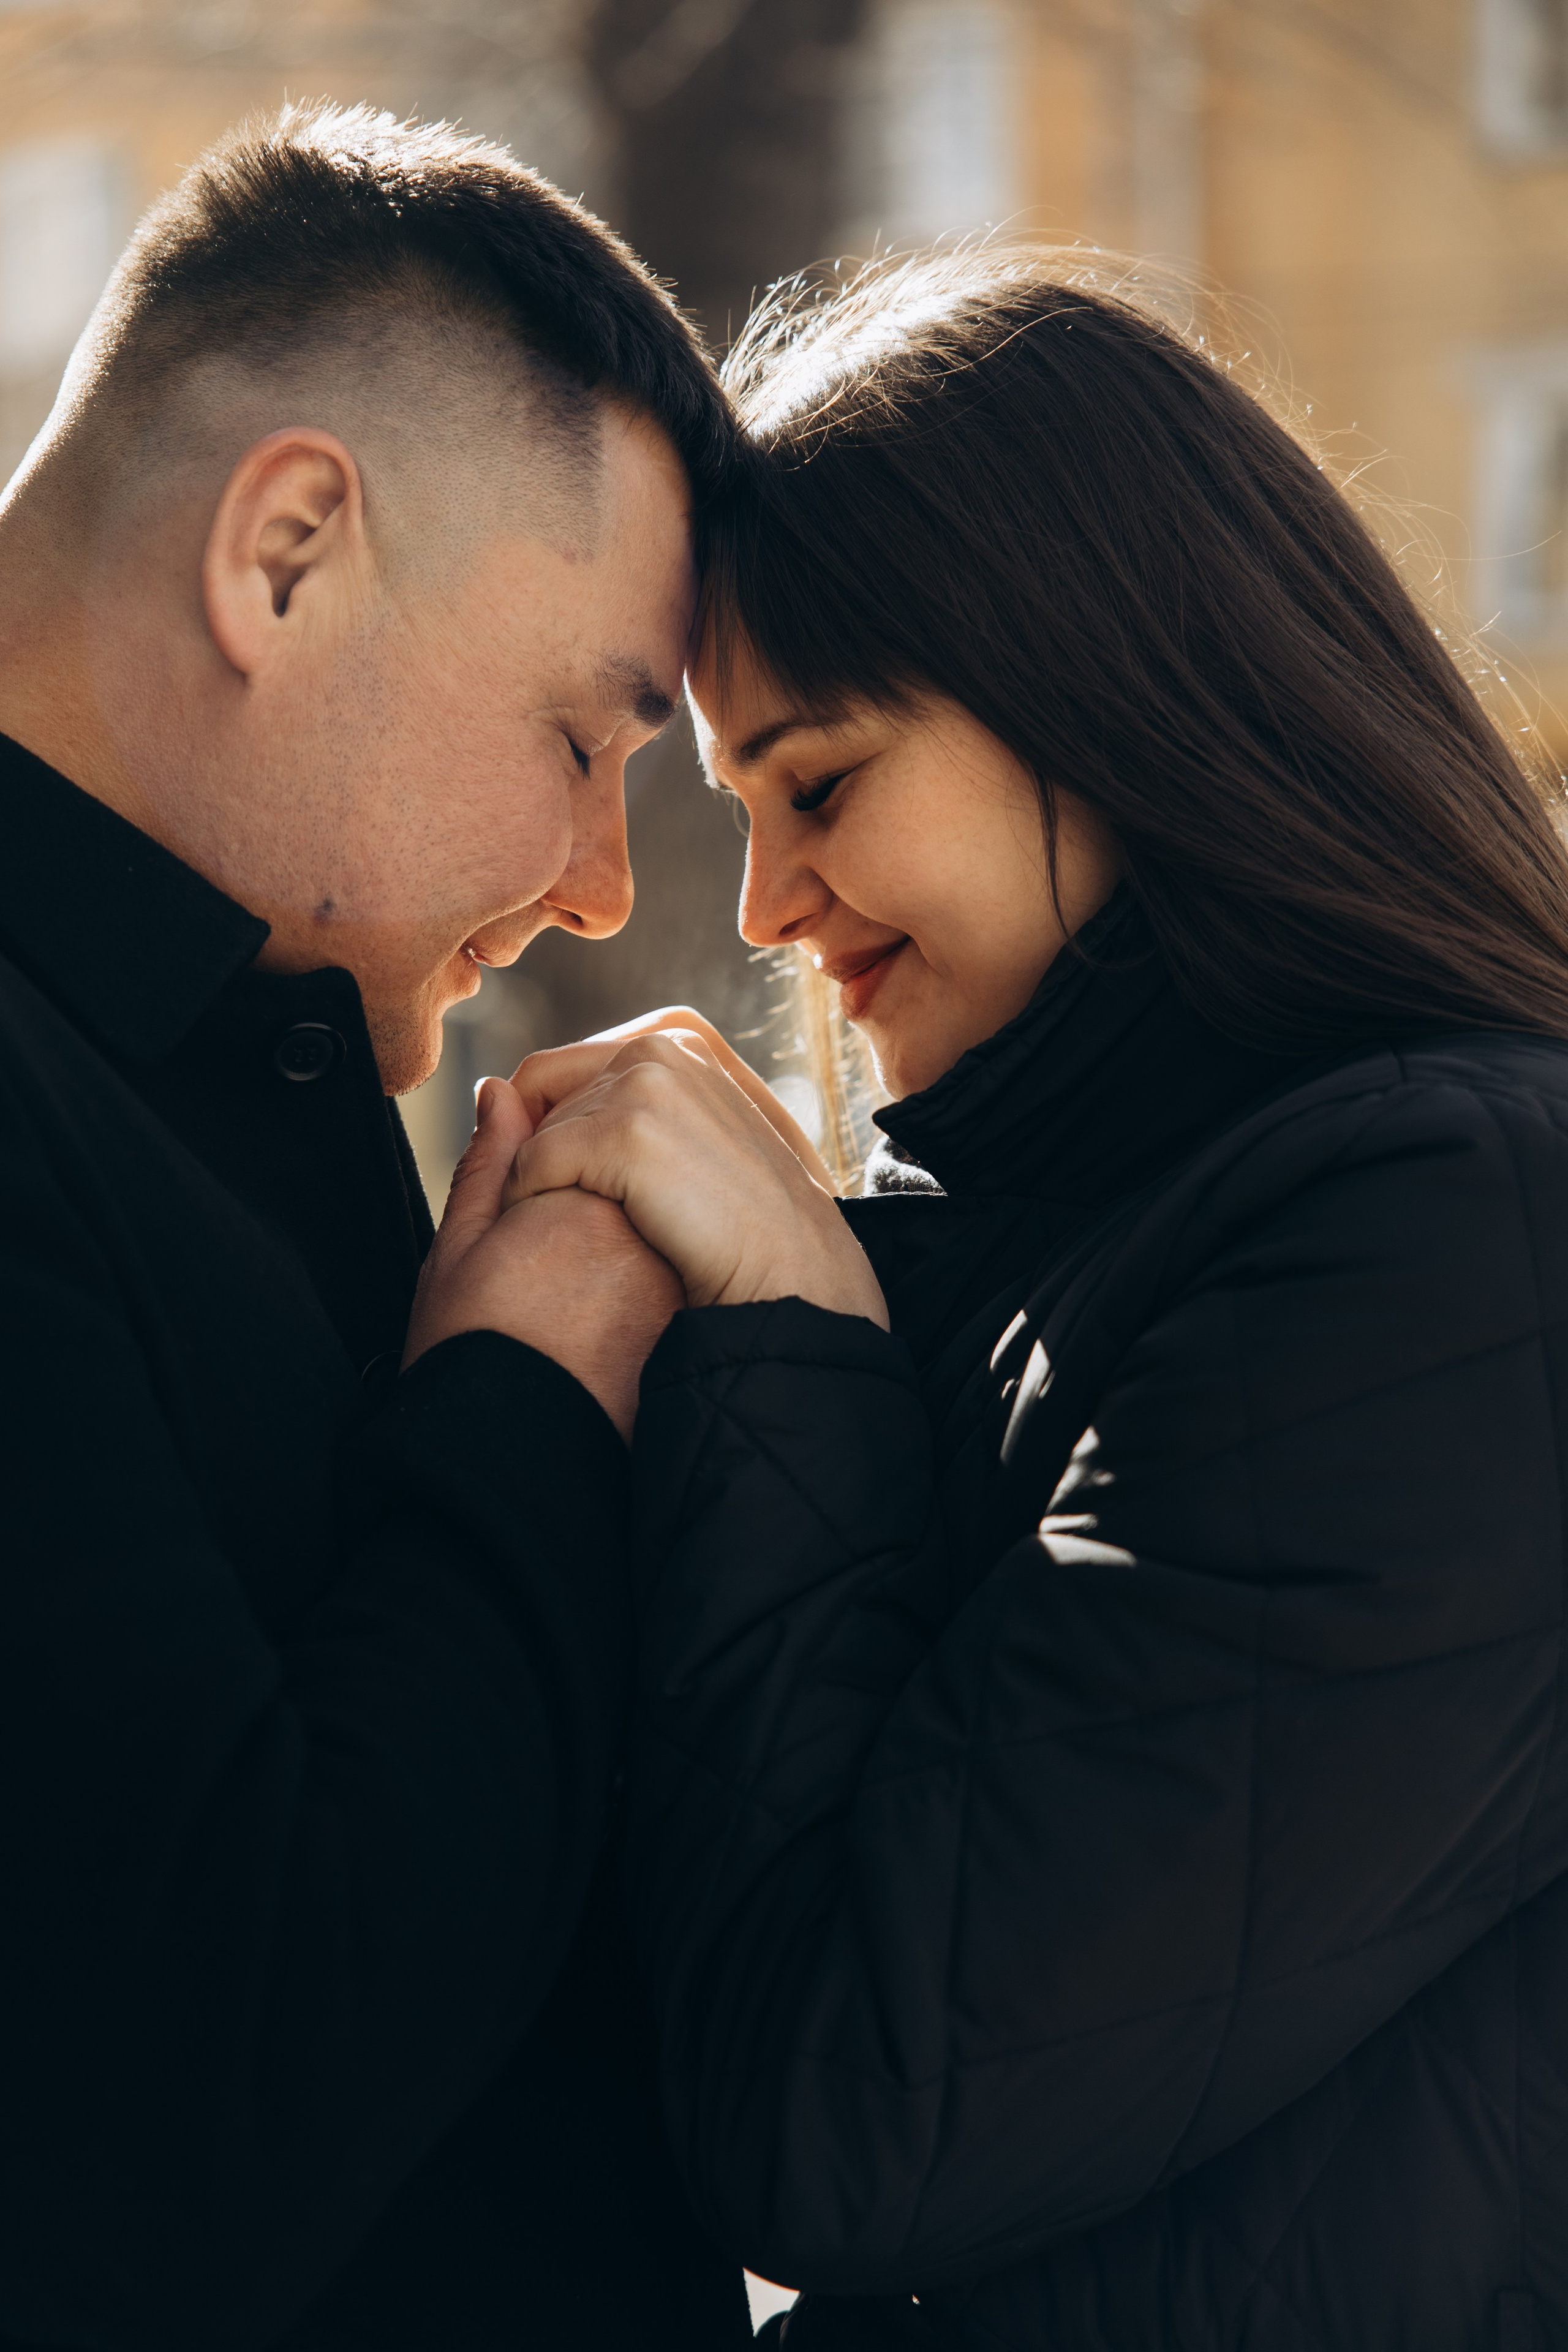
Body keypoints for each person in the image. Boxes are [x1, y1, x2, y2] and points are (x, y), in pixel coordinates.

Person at [502, 254, 1568, 2348]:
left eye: (821, 784)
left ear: (1106, 690)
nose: (766, 910)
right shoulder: (1106, 1231)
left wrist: (793, 1355)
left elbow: (852, 2109)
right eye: (738, 811)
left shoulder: (1461, 1233)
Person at [0, 101, 752, 2351]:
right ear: (294, 550)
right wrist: (528, 1383)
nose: (610, 885)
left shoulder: (209, 1058)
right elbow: (197, 2100)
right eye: (584, 730)